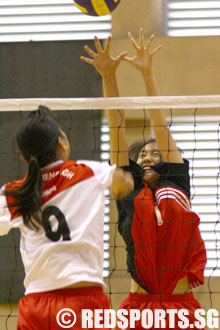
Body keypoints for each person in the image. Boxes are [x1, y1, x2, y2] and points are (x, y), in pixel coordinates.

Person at [81, 29, 207, 329]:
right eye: (142, 156)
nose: (148, 157)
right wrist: (108, 77)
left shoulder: (176, 182)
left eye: (154, 154)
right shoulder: (128, 189)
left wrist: (148, 74)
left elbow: (160, 124)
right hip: (138, 308)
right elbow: (117, 126)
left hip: (181, 309)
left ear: (164, 161)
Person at [0, 106, 134, 330]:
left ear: (24, 157)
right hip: (83, 303)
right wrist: (121, 183)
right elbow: (124, 181)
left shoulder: (15, 193)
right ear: (62, 144)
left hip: (36, 306)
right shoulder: (89, 172)